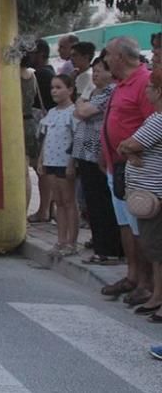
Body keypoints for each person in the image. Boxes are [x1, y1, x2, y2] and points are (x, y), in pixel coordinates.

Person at [100, 37, 155, 304]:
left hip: (136, 170)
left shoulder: (144, 82)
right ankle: (132, 276)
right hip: (116, 166)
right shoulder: (120, 85)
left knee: (140, 227)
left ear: (121, 56)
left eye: (108, 54)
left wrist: (134, 152)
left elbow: (153, 124)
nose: (106, 59)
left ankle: (147, 283)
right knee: (125, 224)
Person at [117, 64, 162, 322]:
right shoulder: (153, 118)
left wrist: (131, 150)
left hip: (154, 194)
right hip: (150, 193)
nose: (145, 89)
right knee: (154, 251)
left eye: (150, 86)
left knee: (157, 249)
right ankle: (156, 295)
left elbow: (128, 144)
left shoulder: (158, 120)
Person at [73, 55, 122, 264]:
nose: (96, 73)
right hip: (85, 153)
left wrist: (81, 102)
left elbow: (82, 111)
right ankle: (100, 243)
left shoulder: (110, 91)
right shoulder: (95, 92)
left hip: (97, 154)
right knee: (90, 201)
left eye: (100, 70)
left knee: (101, 202)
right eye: (94, 70)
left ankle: (108, 249)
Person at [38, 74, 79, 256]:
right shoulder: (51, 113)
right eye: (52, 87)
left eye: (59, 87)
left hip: (65, 162)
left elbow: (76, 139)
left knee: (69, 201)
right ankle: (60, 240)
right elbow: (46, 139)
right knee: (59, 202)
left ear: (70, 90)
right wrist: (41, 160)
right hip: (50, 162)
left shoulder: (74, 112)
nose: (54, 91)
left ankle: (72, 242)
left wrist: (72, 163)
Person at [28, 39, 56, 223]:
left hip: (40, 125)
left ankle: (44, 209)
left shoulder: (39, 75)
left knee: (41, 169)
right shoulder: (51, 72)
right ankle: (49, 208)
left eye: (31, 52)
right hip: (48, 124)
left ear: (40, 54)